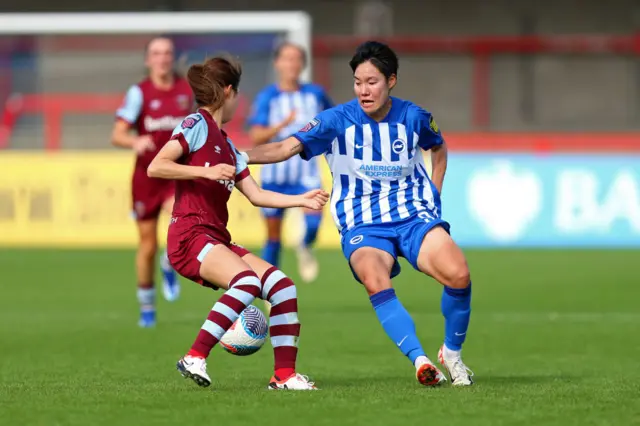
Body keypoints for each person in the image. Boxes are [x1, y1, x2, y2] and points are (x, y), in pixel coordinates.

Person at [241, 41, 474, 386]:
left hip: (413, 216)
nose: (364, 90)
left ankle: (451, 354)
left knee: (459, 276)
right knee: (374, 277)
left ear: (391, 80)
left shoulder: (414, 117)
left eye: (372, 82)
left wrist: (433, 196)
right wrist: (237, 156)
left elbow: (438, 147)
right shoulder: (336, 121)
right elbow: (283, 147)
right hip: (362, 222)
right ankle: (419, 359)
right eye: (358, 82)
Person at [147, 55, 328, 390]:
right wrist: (205, 171)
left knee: (282, 287)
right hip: (189, 236)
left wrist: (301, 200)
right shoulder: (195, 126)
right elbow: (156, 166)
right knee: (246, 283)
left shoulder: (227, 144)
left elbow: (257, 195)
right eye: (236, 93)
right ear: (228, 92)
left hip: (215, 237)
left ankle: (284, 376)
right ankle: (195, 356)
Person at [111, 36, 193, 327]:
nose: (163, 58)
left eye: (168, 52)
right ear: (148, 60)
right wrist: (136, 140)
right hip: (146, 177)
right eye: (156, 53)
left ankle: (169, 263)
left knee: (177, 223)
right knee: (147, 245)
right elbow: (117, 134)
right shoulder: (139, 93)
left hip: (176, 174)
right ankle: (147, 308)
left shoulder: (187, 90)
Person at [246, 42, 333, 283]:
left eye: (296, 59)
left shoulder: (315, 94)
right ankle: (268, 288)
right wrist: (283, 125)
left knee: (314, 222)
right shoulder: (268, 97)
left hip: (306, 173)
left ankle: (305, 245)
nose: (292, 64)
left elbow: (335, 121)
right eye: (287, 59)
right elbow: (256, 136)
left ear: (303, 64)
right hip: (275, 176)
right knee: (273, 238)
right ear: (277, 63)